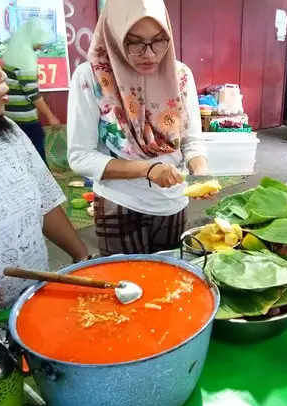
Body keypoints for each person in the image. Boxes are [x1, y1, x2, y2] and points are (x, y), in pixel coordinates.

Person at [67, 0, 210, 256]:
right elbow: (80, 157)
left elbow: (191, 142)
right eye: (134, 42)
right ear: (114, 35)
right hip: (120, 205)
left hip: (173, 205)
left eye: (159, 40)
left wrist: (200, 171)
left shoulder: (181, 75)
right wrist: (148, 169)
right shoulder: (92, 77)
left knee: (172, 285)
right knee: (126, 289)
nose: (150, 54)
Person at [0, 19, 90, 308]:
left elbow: (45, 204)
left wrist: (84, 260)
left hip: (35, 306)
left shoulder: (9, 132)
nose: (1, 75)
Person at [2, 19, 61, 165]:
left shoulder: (13, 52)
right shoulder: (25, 58)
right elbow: (33, 94)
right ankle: (44, 186)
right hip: (25, 119)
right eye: (40, 41)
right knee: (38, 157)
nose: (41, 46)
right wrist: (51, 116)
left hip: (9, 117)